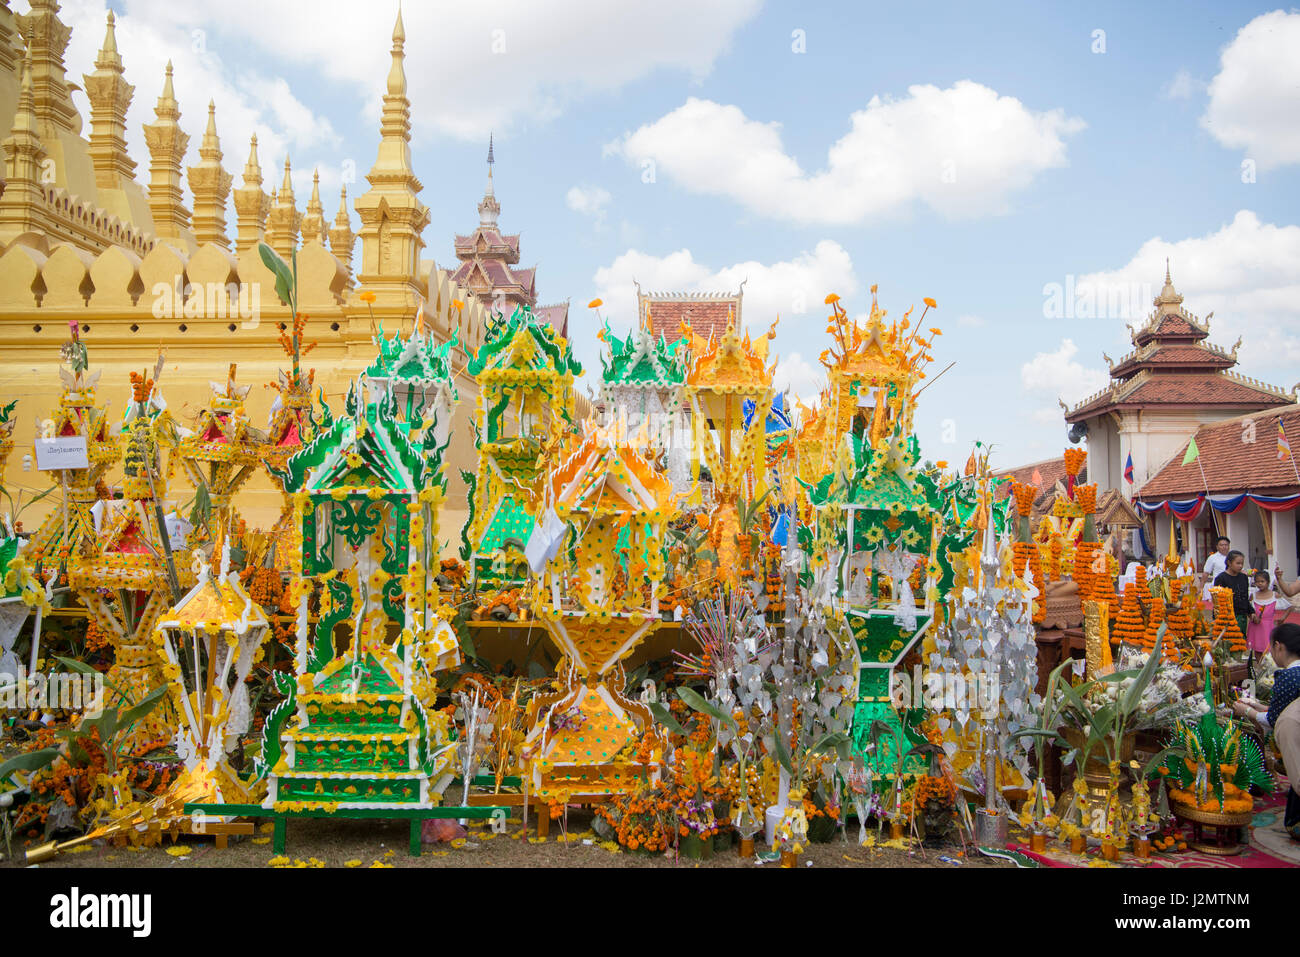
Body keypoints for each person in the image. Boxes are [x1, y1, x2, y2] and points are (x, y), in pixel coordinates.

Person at [1233, 622, 1300, 838]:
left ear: (1279, 647)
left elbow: (1275, 719)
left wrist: (1246, 711)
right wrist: (1257, 706)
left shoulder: (1288, 677)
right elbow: (1286, 709)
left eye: (1272, 647)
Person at [1247, 570, 1290, 670]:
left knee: (1269, 648)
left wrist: (1282, 618)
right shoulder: (1253, 595)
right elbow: (1248, 609)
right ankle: (1261, 669)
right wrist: (1252, 616)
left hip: (1268, 626)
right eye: (1257, 582)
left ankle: (1270, 669)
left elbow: (1289, 606)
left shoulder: (1274, 595)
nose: (1260, 584)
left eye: (1262, 581)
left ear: (1268, 582)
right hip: (1255, 626)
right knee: (1257, 649)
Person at [1214, 550, 1252, 639]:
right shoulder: (1221, 578)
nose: (1240, 566)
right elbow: (1218, 601)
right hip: (1227, 617)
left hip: (1241, 616)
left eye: (1242, 563)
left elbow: (1245, 597)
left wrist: (1251, 612)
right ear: (1229, 563)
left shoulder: (1243, 577)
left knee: (1240, 642)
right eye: (1237, 563)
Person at [1202, 535, 1230, 601]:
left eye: (1226, 545)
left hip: (1231, 586)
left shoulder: (1233, 556)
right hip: (1218, 586)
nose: (1224, 547)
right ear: (1217, 547)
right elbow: (1206, 573)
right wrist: (1201, 588)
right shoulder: (1212, 558)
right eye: (1221, 545)